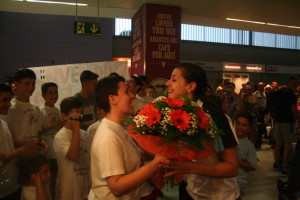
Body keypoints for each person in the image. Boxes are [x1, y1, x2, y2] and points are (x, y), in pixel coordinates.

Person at [162, 63, 239, 200]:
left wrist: (190, 167)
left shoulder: (212, 116)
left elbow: (231, 167)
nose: (167, 83)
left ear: (191, 86)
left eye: (174, 80)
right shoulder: (176, 111)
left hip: (217, 195)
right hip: (190, 188)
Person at [90, 75, 166, 199]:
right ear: (113, 99)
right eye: (126, 91)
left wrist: (163, 152)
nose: (132, 96)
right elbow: (117, 187)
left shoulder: (119, 128)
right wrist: (156, 163)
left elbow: (133, 157)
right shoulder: (108, 137)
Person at [0, 83, 41, 200]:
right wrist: (21, 150)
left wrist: (27, 145)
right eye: (4, 100)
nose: (8, 104)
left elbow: (9, 143)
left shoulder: (3, 123)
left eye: (9, 100)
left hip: (13, 185)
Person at [53, 97, 90, 200]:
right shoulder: (60, 136)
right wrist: (75, 130)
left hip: (85, 188)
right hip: (68, 192)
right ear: (64, 116)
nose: (80, 116)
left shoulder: (84, 134)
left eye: (81, 113)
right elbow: (73, 157)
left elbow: (89, 160)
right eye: (76, 113)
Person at [7, 69, 48, 151]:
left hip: (35, 155)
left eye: (33, 84)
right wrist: (25, 145)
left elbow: (38, 133)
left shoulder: (36, 108)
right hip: (19, 158)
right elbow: (7, 139)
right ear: (16, 84)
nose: (31, 87)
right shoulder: (10, 108)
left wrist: (42, 142)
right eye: (27, 83)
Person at [39, 82, 64, 197]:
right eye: (50, 93)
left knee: (58, 177)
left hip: (58, 150)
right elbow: (38, 132)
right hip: (48, 153)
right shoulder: (40, 111)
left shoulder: (58, 110)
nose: (54, 95)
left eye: (55, 92)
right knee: (49, 179)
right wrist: (53, 124)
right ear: (43, 95)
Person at [273, 76, 300, 175]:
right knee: (288, 145)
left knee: (278, 143)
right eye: (294, 82)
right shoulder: (292, 95)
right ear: (289, 83)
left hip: (279, 121)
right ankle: (285, 167)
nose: (296, 84)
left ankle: (276, 164)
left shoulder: (280, 92)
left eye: (297, 83)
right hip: (288, 122)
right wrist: (299, 120)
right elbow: (294, 110)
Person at [235, 113, 257, 199]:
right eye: (238, 124)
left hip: (238, 183)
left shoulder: (249, 146)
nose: (240, 127)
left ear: (249, 128)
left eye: (244, 125)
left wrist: (236, 161)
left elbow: (253, 165)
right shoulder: (229, 139)